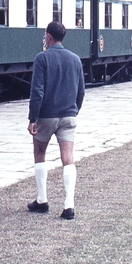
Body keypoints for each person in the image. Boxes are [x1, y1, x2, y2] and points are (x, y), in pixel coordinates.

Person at [27, 21, 85, 220]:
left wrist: (33, 118)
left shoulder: (42, 58)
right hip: (68, 115)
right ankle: (69, 205)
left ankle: (42, 200)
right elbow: (81, 91)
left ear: (49, 36)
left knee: (39, 152)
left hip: (47, 115)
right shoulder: (76, 59)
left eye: (45, 35)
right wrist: (74, 110)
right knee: (68, 157)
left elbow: (37, 91)